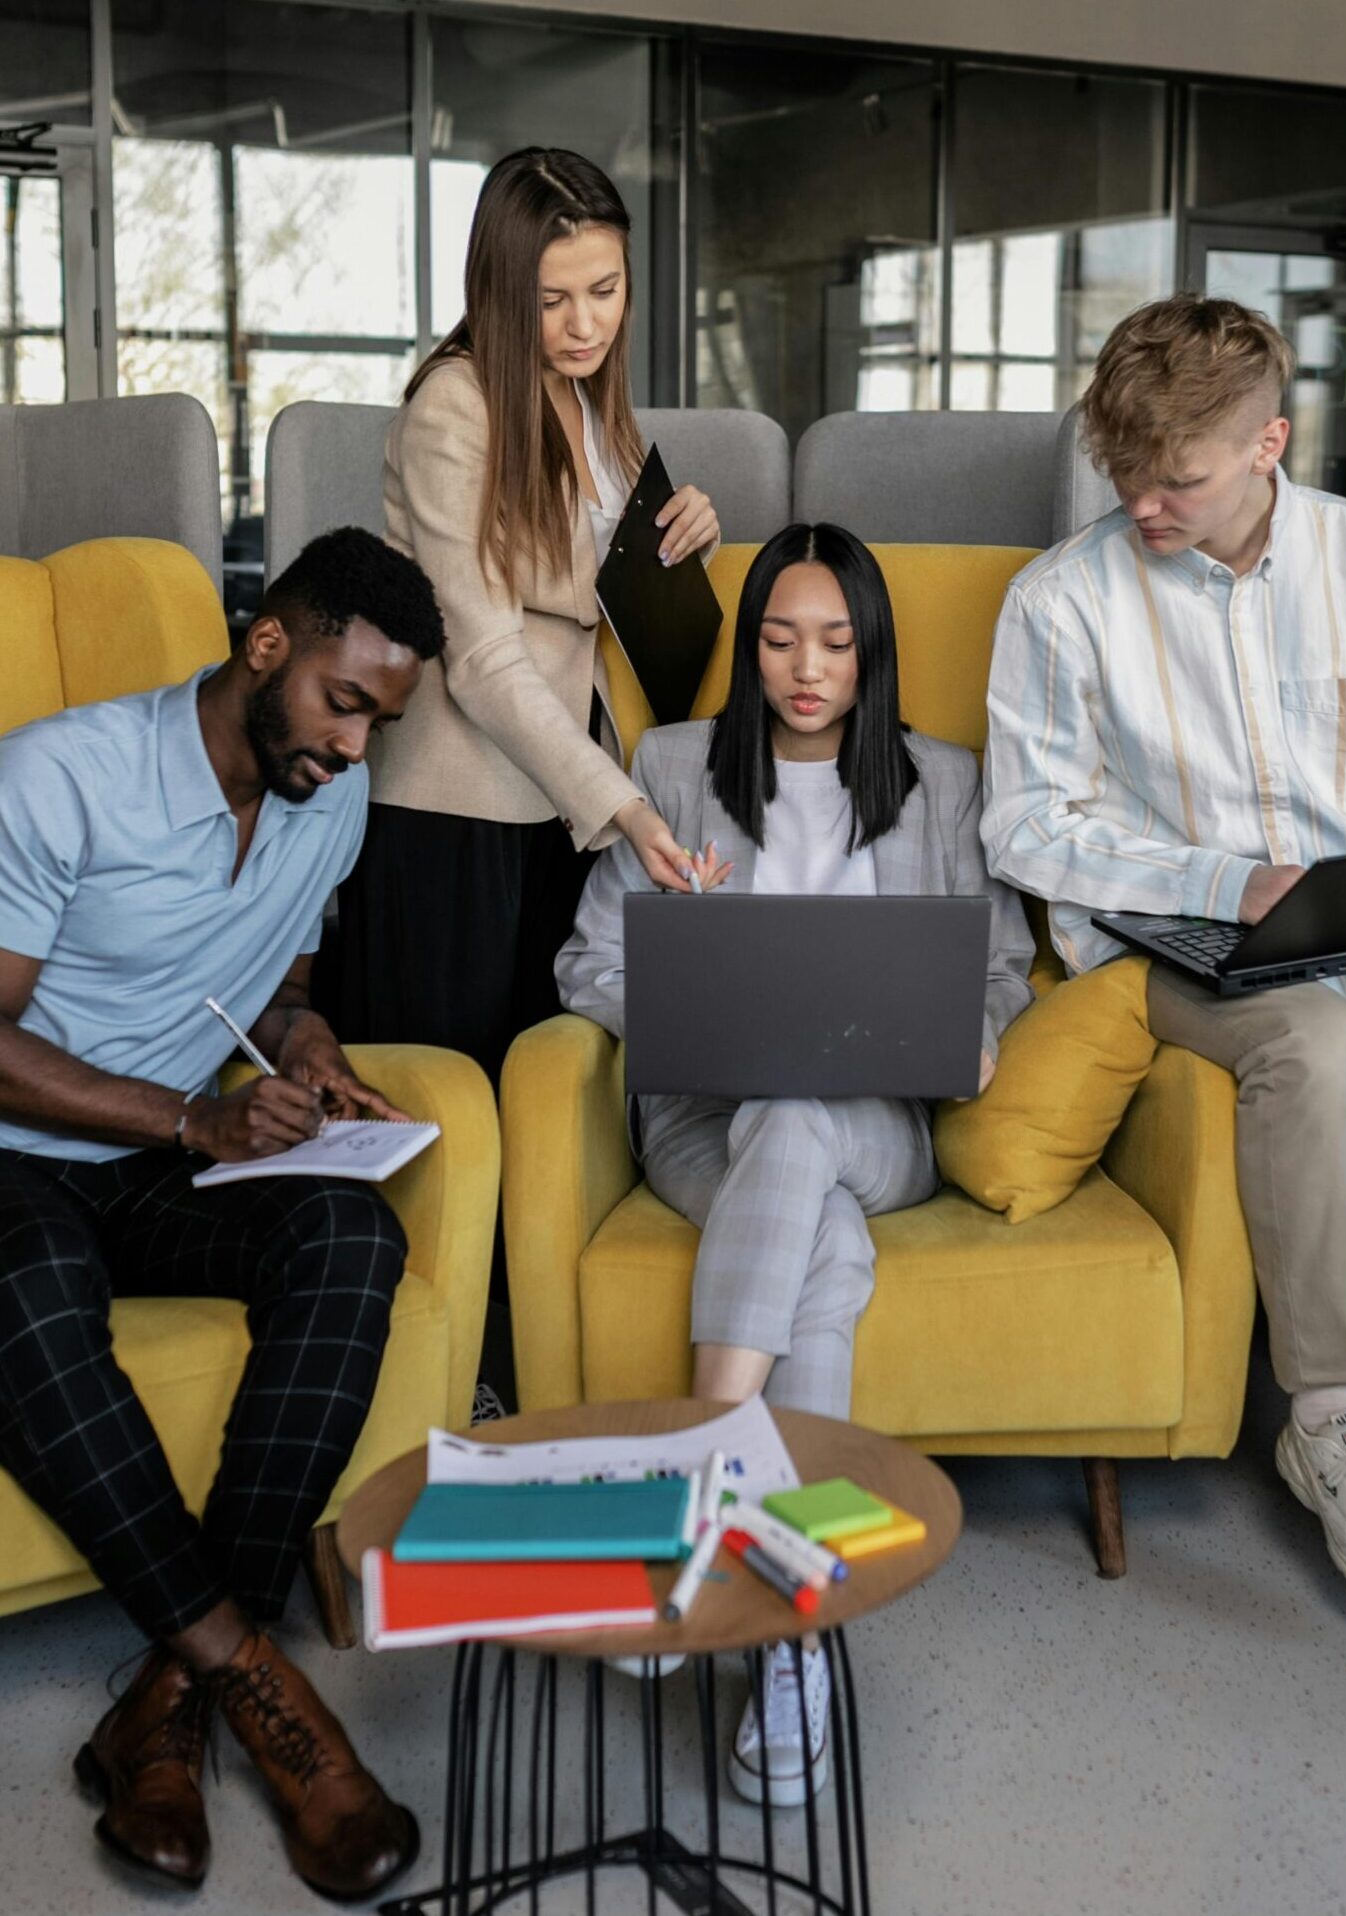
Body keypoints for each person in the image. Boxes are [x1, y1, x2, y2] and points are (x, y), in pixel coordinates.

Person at [0, 527, 446, 1899]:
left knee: (352, 1234)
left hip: (162, 1158)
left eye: (383, 719)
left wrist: (306, 1053)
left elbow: (273, 989)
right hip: (22, 1150)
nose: (358, 746)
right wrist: (190, 1118)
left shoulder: (333, 802)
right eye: (344, 703)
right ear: (268, 649)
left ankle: (163, 1709)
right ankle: (265, 1692)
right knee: (23, 1296)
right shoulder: (60, 775)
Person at [558, 522, 1033, 1806]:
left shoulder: (945, 781)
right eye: (777, 638)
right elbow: (586, 963)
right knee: (807, 1192)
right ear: (748, 646)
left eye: (834, 640)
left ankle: (701, 1480)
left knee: (810, 1107)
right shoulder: (669, 766)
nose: (805, 667)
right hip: (708, 1122)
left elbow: (1001, 967)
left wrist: (977, 1037)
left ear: (873, 648)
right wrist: (689, 989)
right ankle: (794, 1635)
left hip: (879, 1124)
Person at [981, 292, 1346, 1596]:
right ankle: (1331, 1422)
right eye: (1125, 475)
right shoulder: (1060, 603)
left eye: (1178, 480)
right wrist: (1223, 878)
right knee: (1313, 1044)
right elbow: (1026, 827)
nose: (1144, 504)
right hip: (1177, 947)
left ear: (1271, 445)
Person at [326, 146, 720, 1084]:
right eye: (552, 300)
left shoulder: (589, 399)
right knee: (451, 1094)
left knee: (542, 1091)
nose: (585, 323)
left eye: (605, 289)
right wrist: (624, 808)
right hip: (456, 806)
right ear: (501, 288)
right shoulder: (455, 408)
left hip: (558, 793)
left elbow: (597, 577)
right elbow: (485, 657)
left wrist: (686, 533)